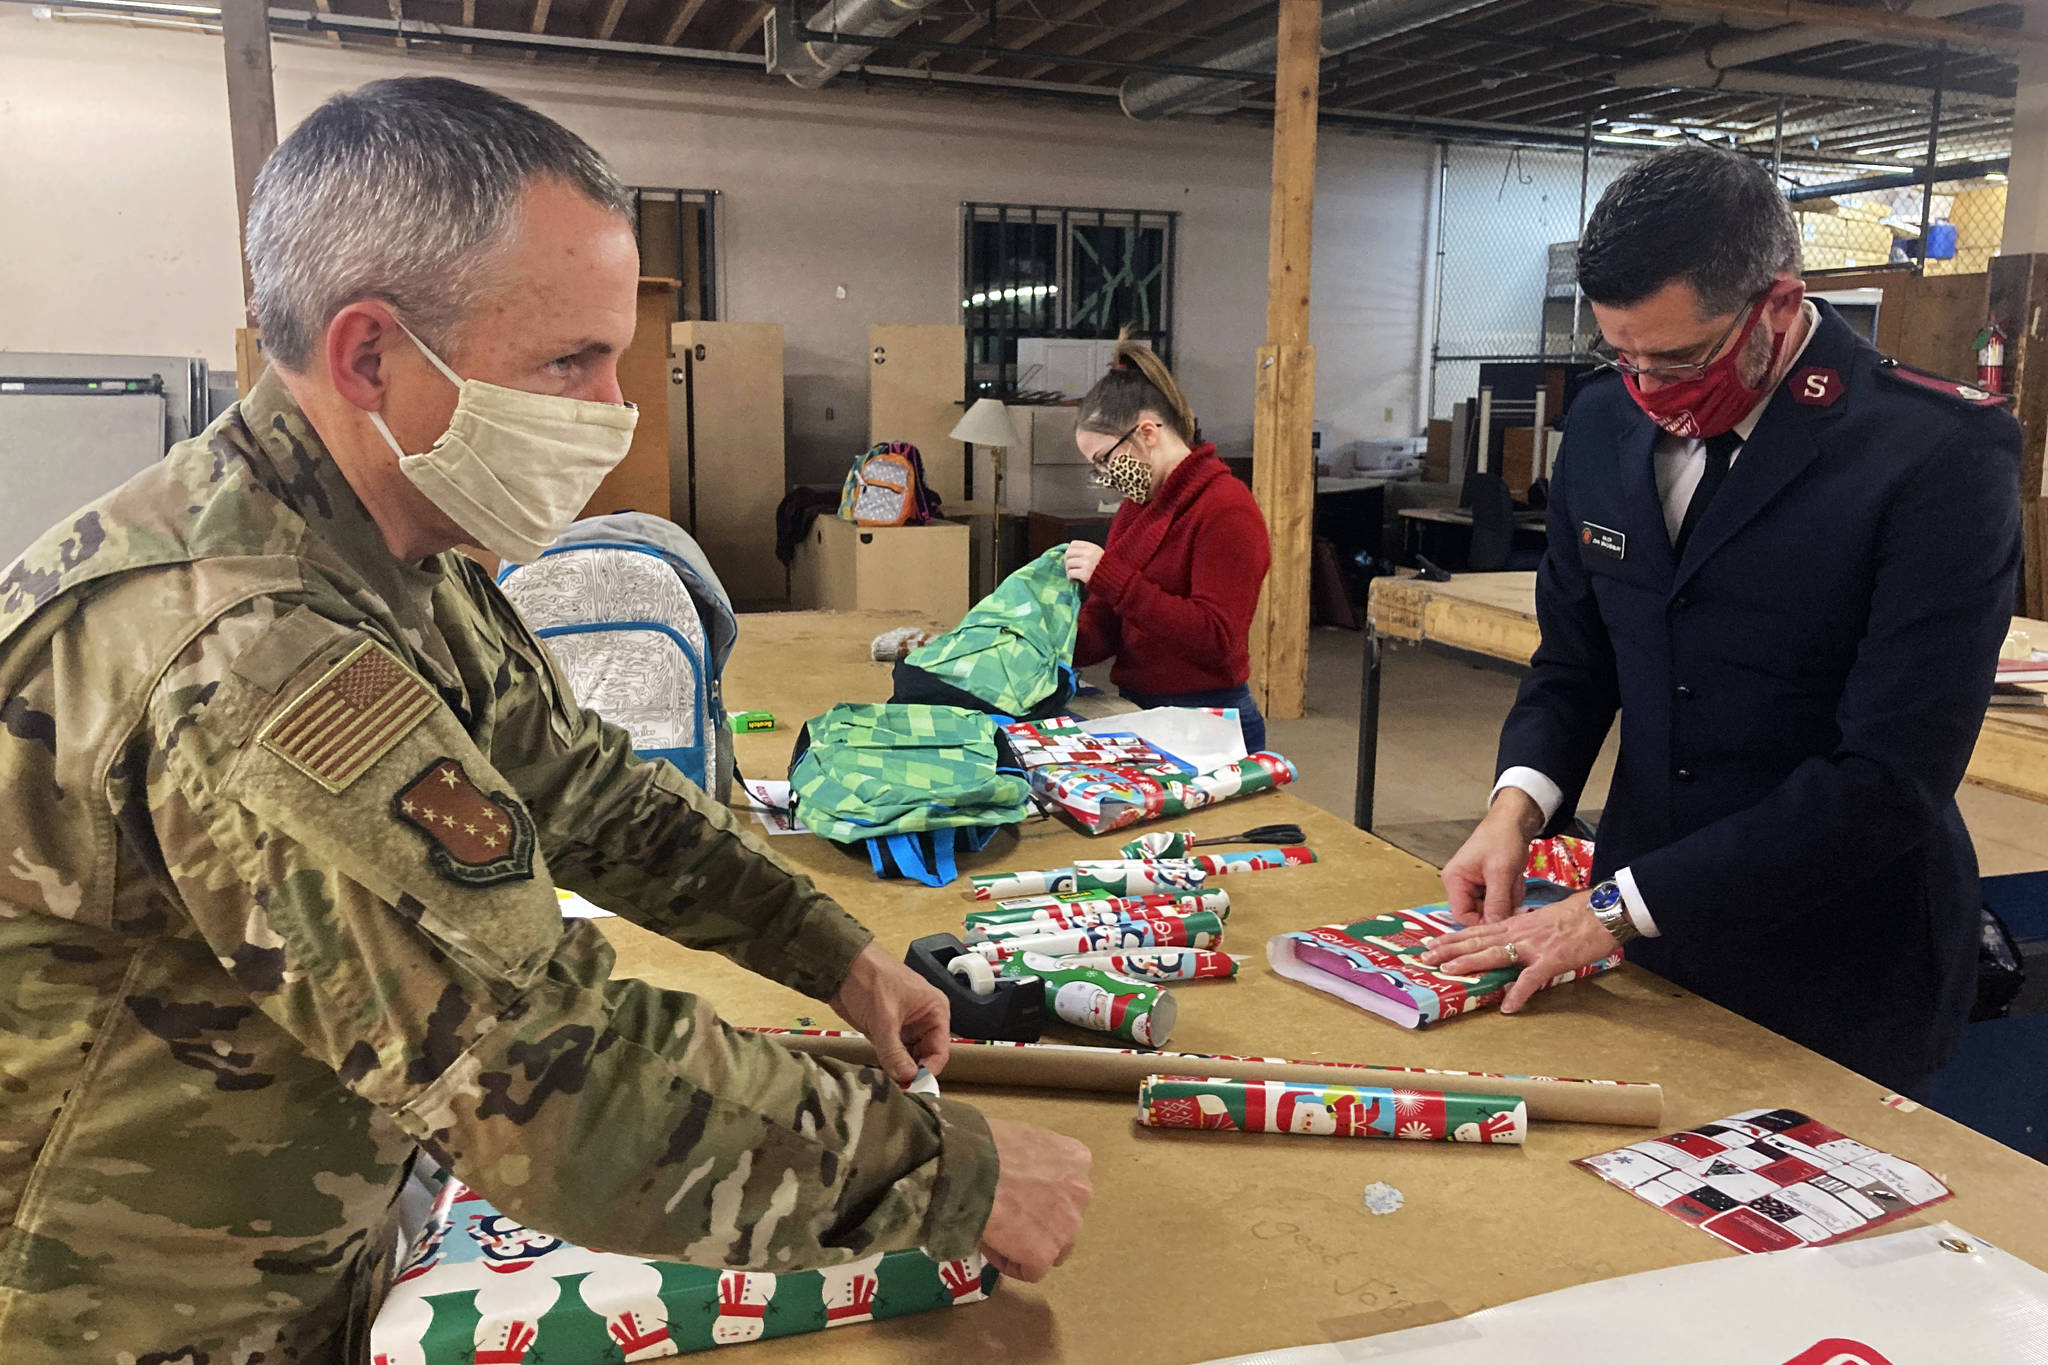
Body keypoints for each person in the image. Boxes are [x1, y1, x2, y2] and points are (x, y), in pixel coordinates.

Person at [0, 77, 1089, 1361]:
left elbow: (585, 794)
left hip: (281, 1246)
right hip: (116, 1309)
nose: (612, 410)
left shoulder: (391, 544)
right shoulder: (249, 649)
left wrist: (826, 949)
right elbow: (543, 1084)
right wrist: (952, 1175)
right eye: (567, 361)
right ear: (369, 356)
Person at [1421, 143, 2021, 1096]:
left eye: (1679, 358)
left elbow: (1890, 777)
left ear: (1778, 304)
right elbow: (1577, 661)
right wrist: (1517, 807)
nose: (1650, 390)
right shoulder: (1612, 425)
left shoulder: (1933, 455)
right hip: (1646, 935)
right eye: (1621, 356)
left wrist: (1615, 909)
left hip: (1840, 957)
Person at [1065, 338, 1274, 752]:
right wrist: (1045, 641)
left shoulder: (1226, 508)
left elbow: (1218, 638)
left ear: (1146, 432)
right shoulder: (1138, 507)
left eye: (1105, 459)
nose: (1104, 475)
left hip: (1209, 721)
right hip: (1142, 709)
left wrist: (1113, 579)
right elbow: (1107, 623)